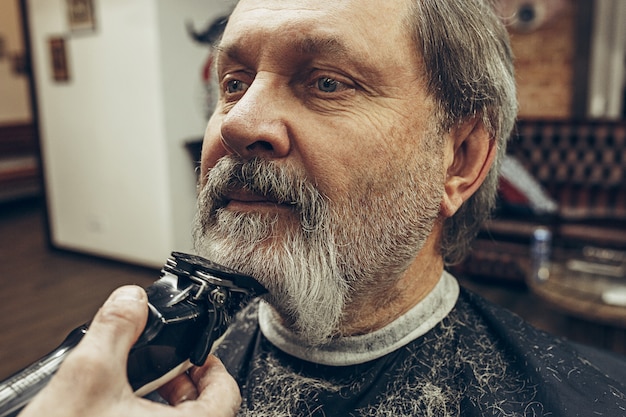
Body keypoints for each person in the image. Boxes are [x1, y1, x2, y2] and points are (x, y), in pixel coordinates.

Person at [19, 0, 626, 416]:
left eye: (327, 82)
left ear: (460, 158)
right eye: (233, 83)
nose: (239, 122)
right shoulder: (131, 379)